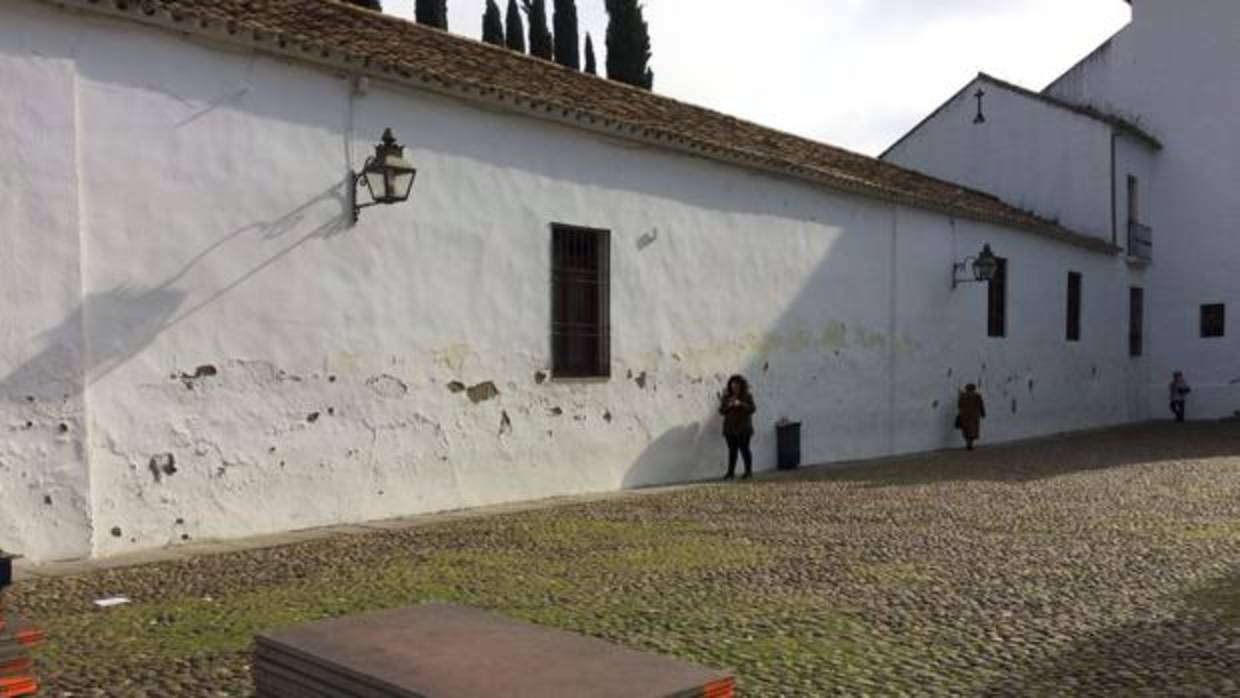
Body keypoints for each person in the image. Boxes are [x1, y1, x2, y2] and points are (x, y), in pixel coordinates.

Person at [718, 375, 756, 480]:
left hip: (744, 428)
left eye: (737, 384)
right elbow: (721, 411)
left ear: (741, 385)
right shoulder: (726, 397)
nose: (734, 387)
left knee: (744, 449)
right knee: (732, 451)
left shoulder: (747, 396)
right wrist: (729, 405)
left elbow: (752, 409)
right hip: (730, 429)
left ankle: (748, 472)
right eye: (732, 384)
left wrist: (741, 404)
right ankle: (730, 473)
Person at [956, 384, 986, 451]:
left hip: (965, 416)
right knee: (972, 431)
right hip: (974, 416)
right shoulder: (977, 396)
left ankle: (968, 444)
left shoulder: (963, 396)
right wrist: (983, 413)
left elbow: (959, 405)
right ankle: (970, 445)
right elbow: (981, 405)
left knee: (966, 430)